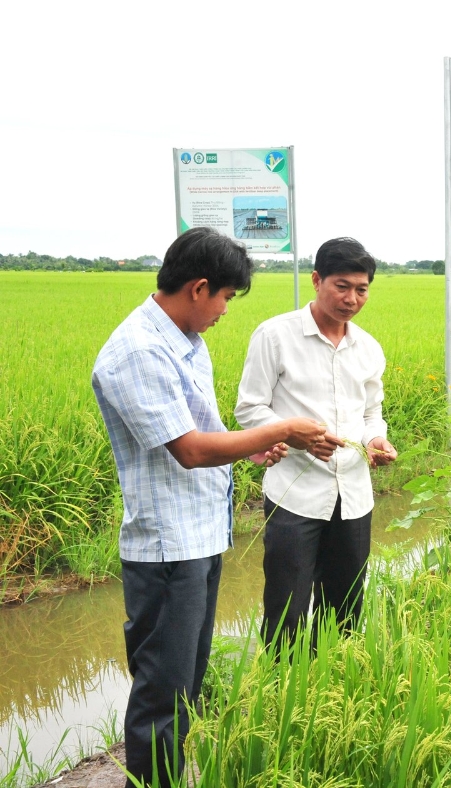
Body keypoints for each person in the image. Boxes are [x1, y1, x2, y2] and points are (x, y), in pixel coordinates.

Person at [91, 228, 329, 787]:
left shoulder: (184, 340)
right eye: (225, 297)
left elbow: (205, 432)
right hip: (168, 546)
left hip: (199, 536)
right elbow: (191, 449)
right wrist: (284, 429)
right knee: (162, 693)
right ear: (199, 288)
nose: (225, 310)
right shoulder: (140, 352)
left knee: (186, 687)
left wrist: (253, 448)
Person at [235, 236, 397, 650]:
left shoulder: (369, 348)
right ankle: (279, 692)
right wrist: (294, 434)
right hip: (296, 495)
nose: (352, 298)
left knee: (344, 609)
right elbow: (250, 409)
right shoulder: (274, 336)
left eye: (361, 289)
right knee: (286, 609)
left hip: (354, 496)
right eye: (341, 286)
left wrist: (376, 438)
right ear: (316, 279)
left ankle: (333, 687)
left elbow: (369, 413)